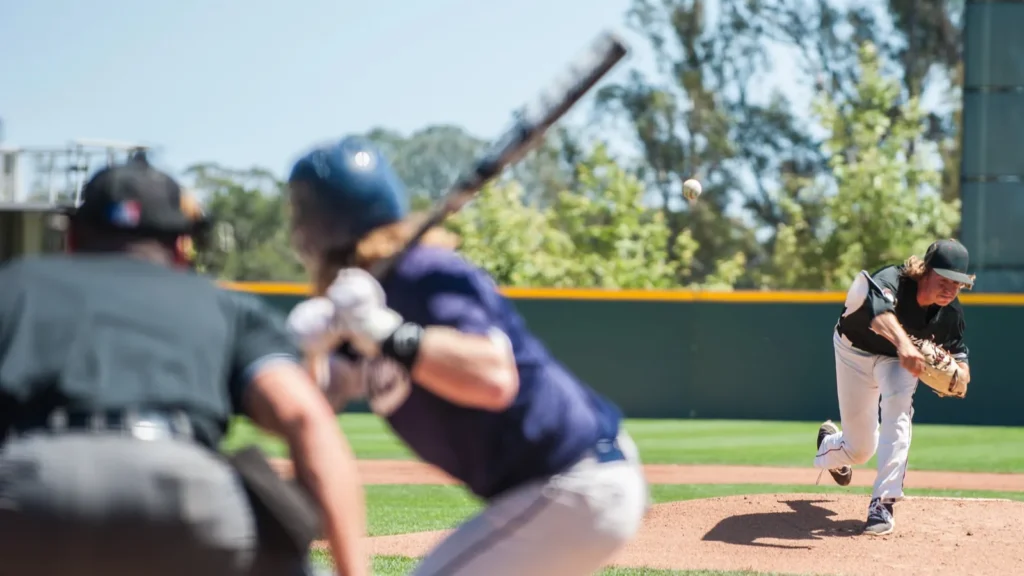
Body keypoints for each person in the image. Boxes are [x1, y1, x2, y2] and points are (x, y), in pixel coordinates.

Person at [284, 135, 650, 576]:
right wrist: (310, 352)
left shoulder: (422, 273)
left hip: (572, 480)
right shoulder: (359, 302)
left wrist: (382, 330)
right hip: (549, 493)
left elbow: (494, 379)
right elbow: (323, 402)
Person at [0, 155, 369, 576]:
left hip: (30, 494)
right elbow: (305, 418)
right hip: (186, 496)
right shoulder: (221, 304)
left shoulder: (14, 286)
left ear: (72, 239)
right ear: (180, 246)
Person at [814, 239, 974, 536]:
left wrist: (959, 378)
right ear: (924, 271)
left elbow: (961, 363)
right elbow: (878, 316)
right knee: (860, 449)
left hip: (896, 363)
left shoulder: (951, 313)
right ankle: (830, 445)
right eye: (945, 279)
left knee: (898, 411)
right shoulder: (893, 280)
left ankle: (883, 504)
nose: (951, 289)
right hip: (854, 350)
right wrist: (904, 344)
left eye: (959, 283)